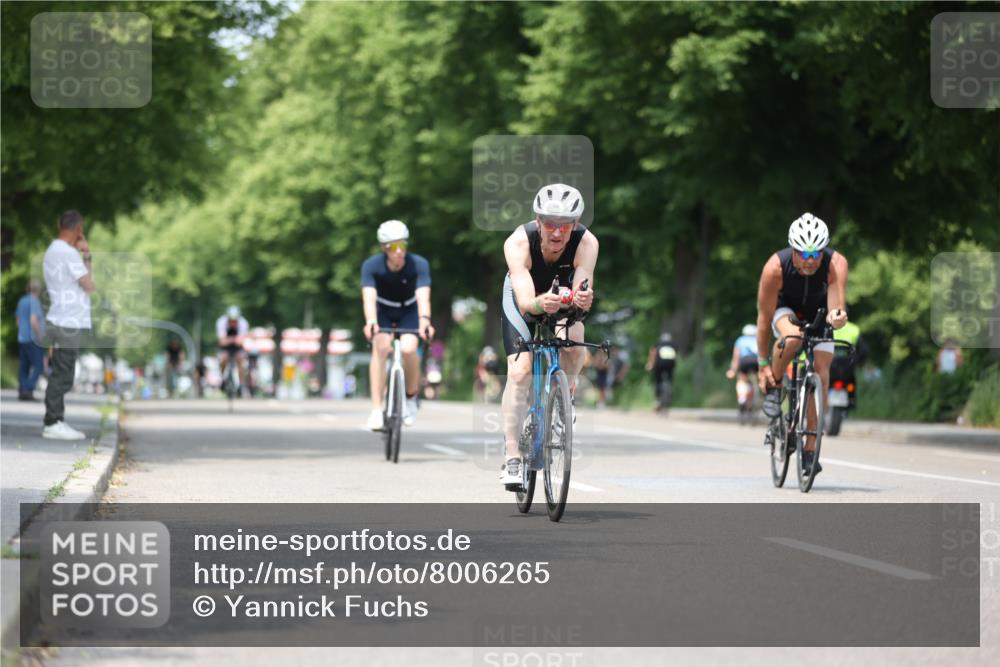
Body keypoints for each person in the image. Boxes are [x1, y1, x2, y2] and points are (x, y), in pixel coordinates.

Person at [499, 183, 598, 488]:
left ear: (576, 224)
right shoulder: (518, 243)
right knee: (519, 372)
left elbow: (582, 290)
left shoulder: (587, 243)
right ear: (538, 221)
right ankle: (513, 458)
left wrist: (581, 299)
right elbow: (528, 303)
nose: (557, 233)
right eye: (550, 225)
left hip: (562, 298)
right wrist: (540, 303)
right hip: (523, 298)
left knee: (574, 339)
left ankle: (563, 397)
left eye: (565, 226)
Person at [756, 212, 849, 476]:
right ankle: (775, 386)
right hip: (786, 310)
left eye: (816, 254)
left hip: (820, 311)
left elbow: (835, 307)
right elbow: (764, 320)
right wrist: (763, 362)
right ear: (793, 251)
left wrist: (837, 318)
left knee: (821, 371)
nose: (810, 261)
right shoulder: (775, 268)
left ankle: (810, 450)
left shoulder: (836, 263)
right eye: (804, 254)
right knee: (793, 338)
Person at [361, 220, 434, 430]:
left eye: (403, 244)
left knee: (410, 349)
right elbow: (368, 297)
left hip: (409, 310)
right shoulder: (371, 266)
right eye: (393, 246)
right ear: (384, 248)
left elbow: (423, 296)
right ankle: (376, 409)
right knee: (381, 346)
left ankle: (411, 397)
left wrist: (425, 321)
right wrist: (371, 322)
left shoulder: (419, 264)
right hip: (383, 310)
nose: (399, 251)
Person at [41, 210, 95, 440]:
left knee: (61, 371)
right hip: (68, 321)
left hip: (58, 316)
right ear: (78, 229)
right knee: (64, 373)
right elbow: (89, 284)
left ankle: (56, 420)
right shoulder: (68, 253)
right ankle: (53, 422)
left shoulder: (52, 251)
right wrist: (87, 254)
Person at [15, 279, 46, 401]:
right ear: (38, 290)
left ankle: (23, 389)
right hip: (33, 339)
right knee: (39, 366)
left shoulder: (22, 301)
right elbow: (34, 320)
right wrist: (40, 335)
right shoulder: (35, 301)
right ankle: (28, 388)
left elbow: (18, 321)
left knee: (24, 366)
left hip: (22, 338)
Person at [216, 305, 249, 393]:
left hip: (237, 347)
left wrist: (229, 340)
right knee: (223, 359)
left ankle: (241, 385)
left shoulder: (243, 323)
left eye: (235, 321)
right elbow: (222, 342)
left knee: (240, 360)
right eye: (231, 320)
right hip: (225, 347)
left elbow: (241, 342)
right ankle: (222, 379)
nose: (233, 322)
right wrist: (234, 339)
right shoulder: (221, 322)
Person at [726, 324, 759, 411]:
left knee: (741, 380)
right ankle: (752, 400)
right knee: (755, 379)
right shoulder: (758, 339)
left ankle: (742, 398)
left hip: (744, 361)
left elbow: (736, 357)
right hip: (756, 361)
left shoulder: (740, 340)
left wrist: (733, 370)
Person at [646, 332, 677, 413]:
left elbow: (653, 353)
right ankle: (669, 389)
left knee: (658, 380)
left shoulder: (658, 343)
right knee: (669, 379)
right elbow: (676, 354)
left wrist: (650, 364)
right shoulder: (672, 344)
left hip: (660, 363)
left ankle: (658, 400)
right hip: (671, 364)